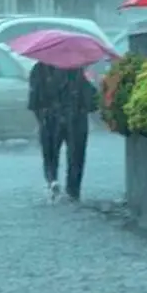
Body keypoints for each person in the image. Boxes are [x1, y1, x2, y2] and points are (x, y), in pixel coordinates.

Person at [28, 61, 98, 202]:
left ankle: (52, 180)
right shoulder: (77, 68)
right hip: (75, 119)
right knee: (76, 157)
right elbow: (91, 99)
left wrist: (41, 119)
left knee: (50, 156)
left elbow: (33, 100)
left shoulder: (39, 69)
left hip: (50, 118)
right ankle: (72, 192)